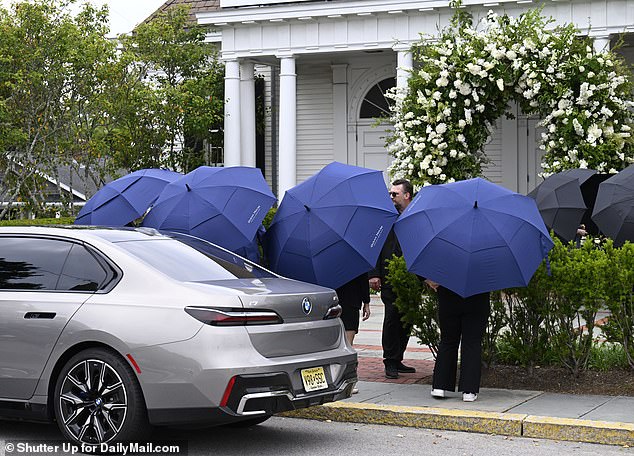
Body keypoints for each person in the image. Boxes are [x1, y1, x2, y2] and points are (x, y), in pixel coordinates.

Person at [369, 178, 417, 379]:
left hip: (412, 278)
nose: (391, 197)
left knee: (407, 319)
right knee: (392, 318)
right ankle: (389, 360)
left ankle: (398, 358)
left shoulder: (415, 216)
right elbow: (374, 245)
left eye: (395, 194)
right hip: (390, 277)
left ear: (407, 195)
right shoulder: (385, 217)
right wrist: (374, 273)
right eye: (390, 194)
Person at [425, 280, 490, 402]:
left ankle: (440, 385)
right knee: (472, 342)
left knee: (448, 341)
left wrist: (428, 280)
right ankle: (469, 390)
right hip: (478, 294)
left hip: (448, 292)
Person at [336, 273, 371, 347]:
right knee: (348, 342)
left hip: (334, 300)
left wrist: (366, 302)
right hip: (352, 300)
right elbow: (363, 280)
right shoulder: (357, 263)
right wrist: (366, 302)